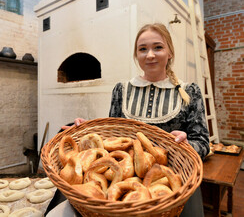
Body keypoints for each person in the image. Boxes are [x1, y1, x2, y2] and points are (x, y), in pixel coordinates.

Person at [59, 23, 210, 217]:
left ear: (170, 52)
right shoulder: (122, 90)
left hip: (172, 188)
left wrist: (188, 143)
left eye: (158, 47)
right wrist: (87, 128)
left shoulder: (190, 92)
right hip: (125, 184)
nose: (150, 55)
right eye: (142, 49)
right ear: (136, 55)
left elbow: (204, 144)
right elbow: (110, 137)